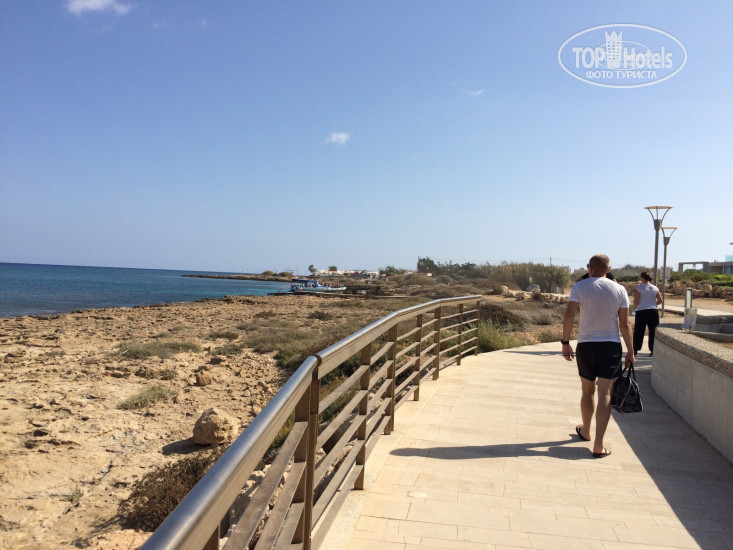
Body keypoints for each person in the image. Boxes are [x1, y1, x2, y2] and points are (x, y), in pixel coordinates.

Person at [561, 254, 634, 458]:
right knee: (605, 394)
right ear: (608, 269)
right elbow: (625, 323)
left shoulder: (579, 287)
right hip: (610, 346)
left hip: (586, 345)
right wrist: (630, 351)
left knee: (587, 391)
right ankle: (599, 445)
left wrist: (565, 342)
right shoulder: (620, 289)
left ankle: (586, 431)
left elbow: (569, 315)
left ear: (590, 268)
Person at [632, 271, 662, 356]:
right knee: (653, 331)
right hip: (653, 311)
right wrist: (653, 304)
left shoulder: (640, 288)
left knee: (639, 330)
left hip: (642, 310)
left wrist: (635, 308)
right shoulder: (655, 288)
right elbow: (660, 300)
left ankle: (635, 349)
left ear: (642, 278)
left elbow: (636, 301)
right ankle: (653, 350)